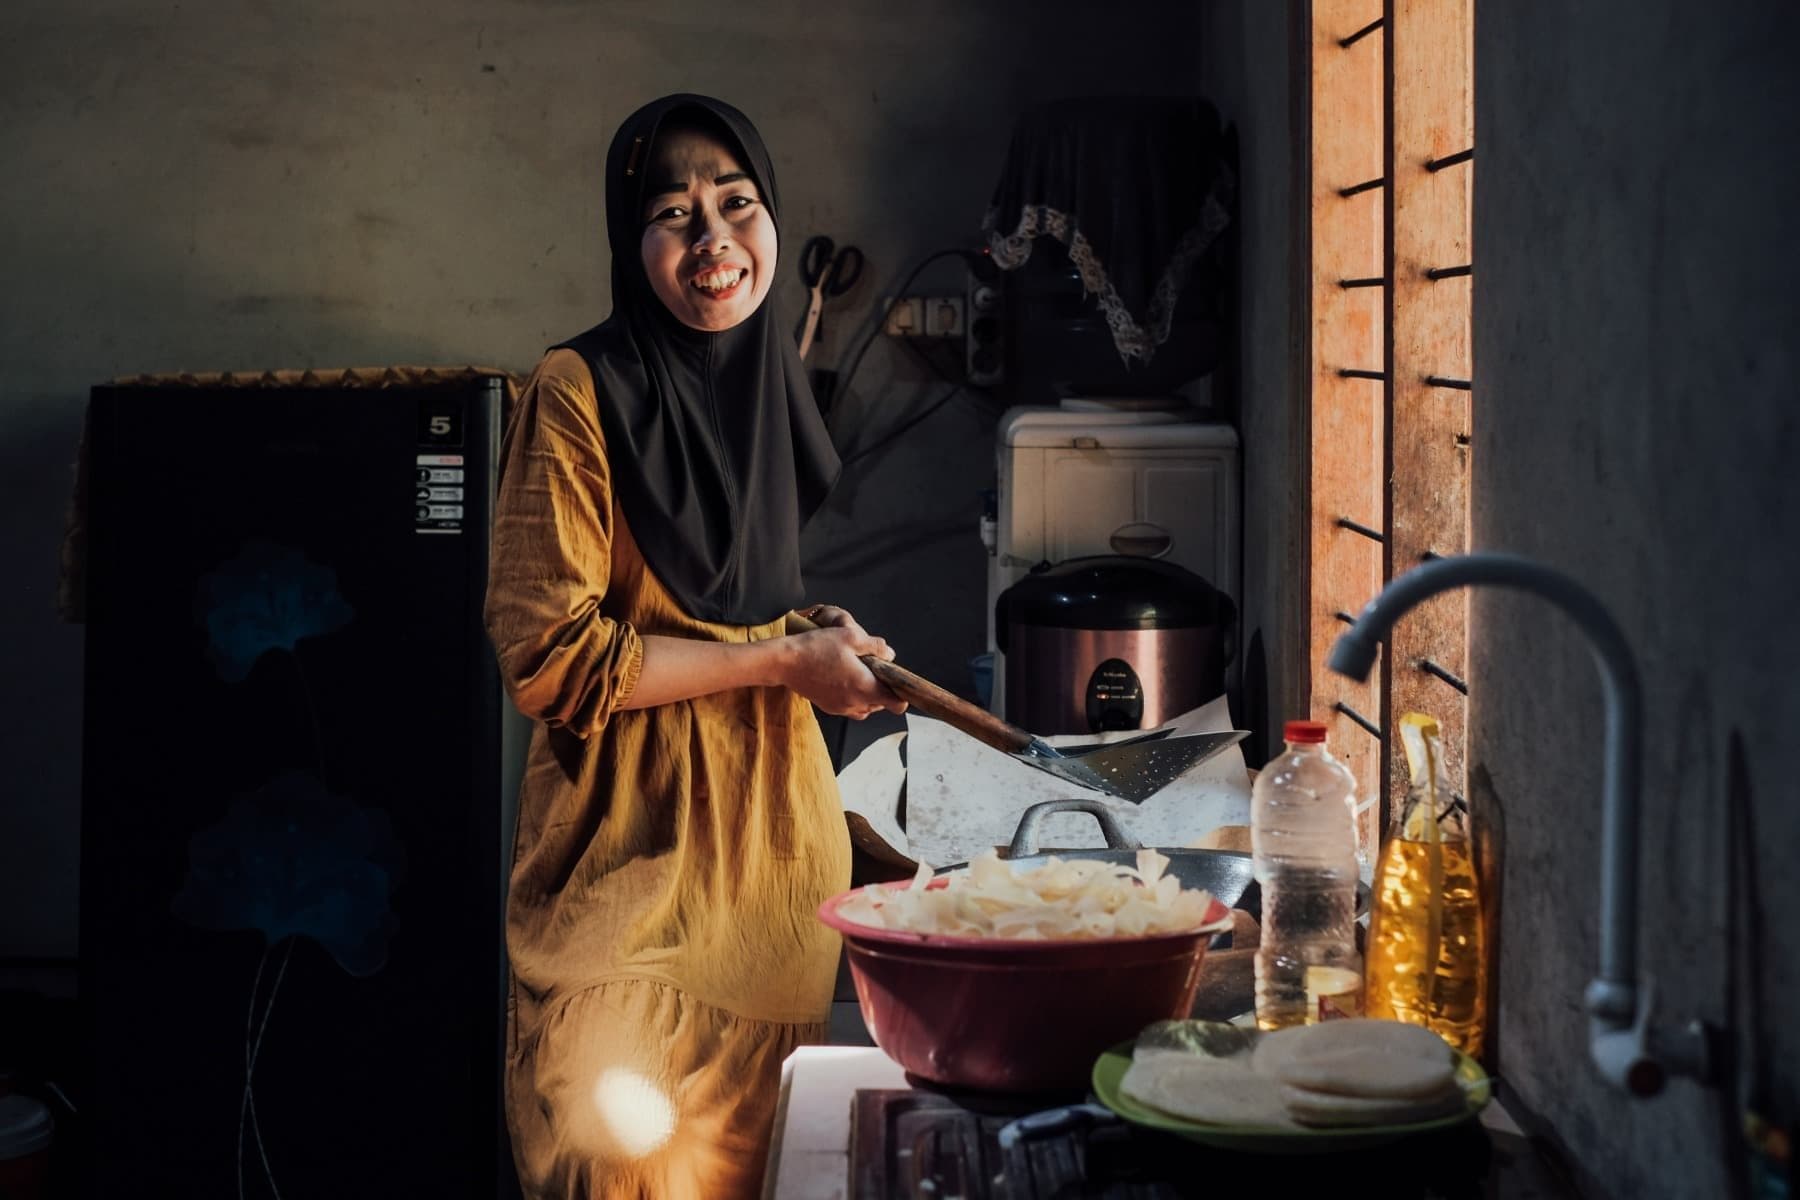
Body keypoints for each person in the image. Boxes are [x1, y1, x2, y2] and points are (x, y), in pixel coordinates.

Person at [484, 93, 905, 1200]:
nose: (714, 239)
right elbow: (553, 657)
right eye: (674, 213)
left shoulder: (763, 388)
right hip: (628, 867)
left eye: (739, 204)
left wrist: (808, 634)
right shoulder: (577, 392)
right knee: (604, 1155)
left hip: (771, 884)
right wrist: (778, 664)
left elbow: (725, 613)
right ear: (633, 245)